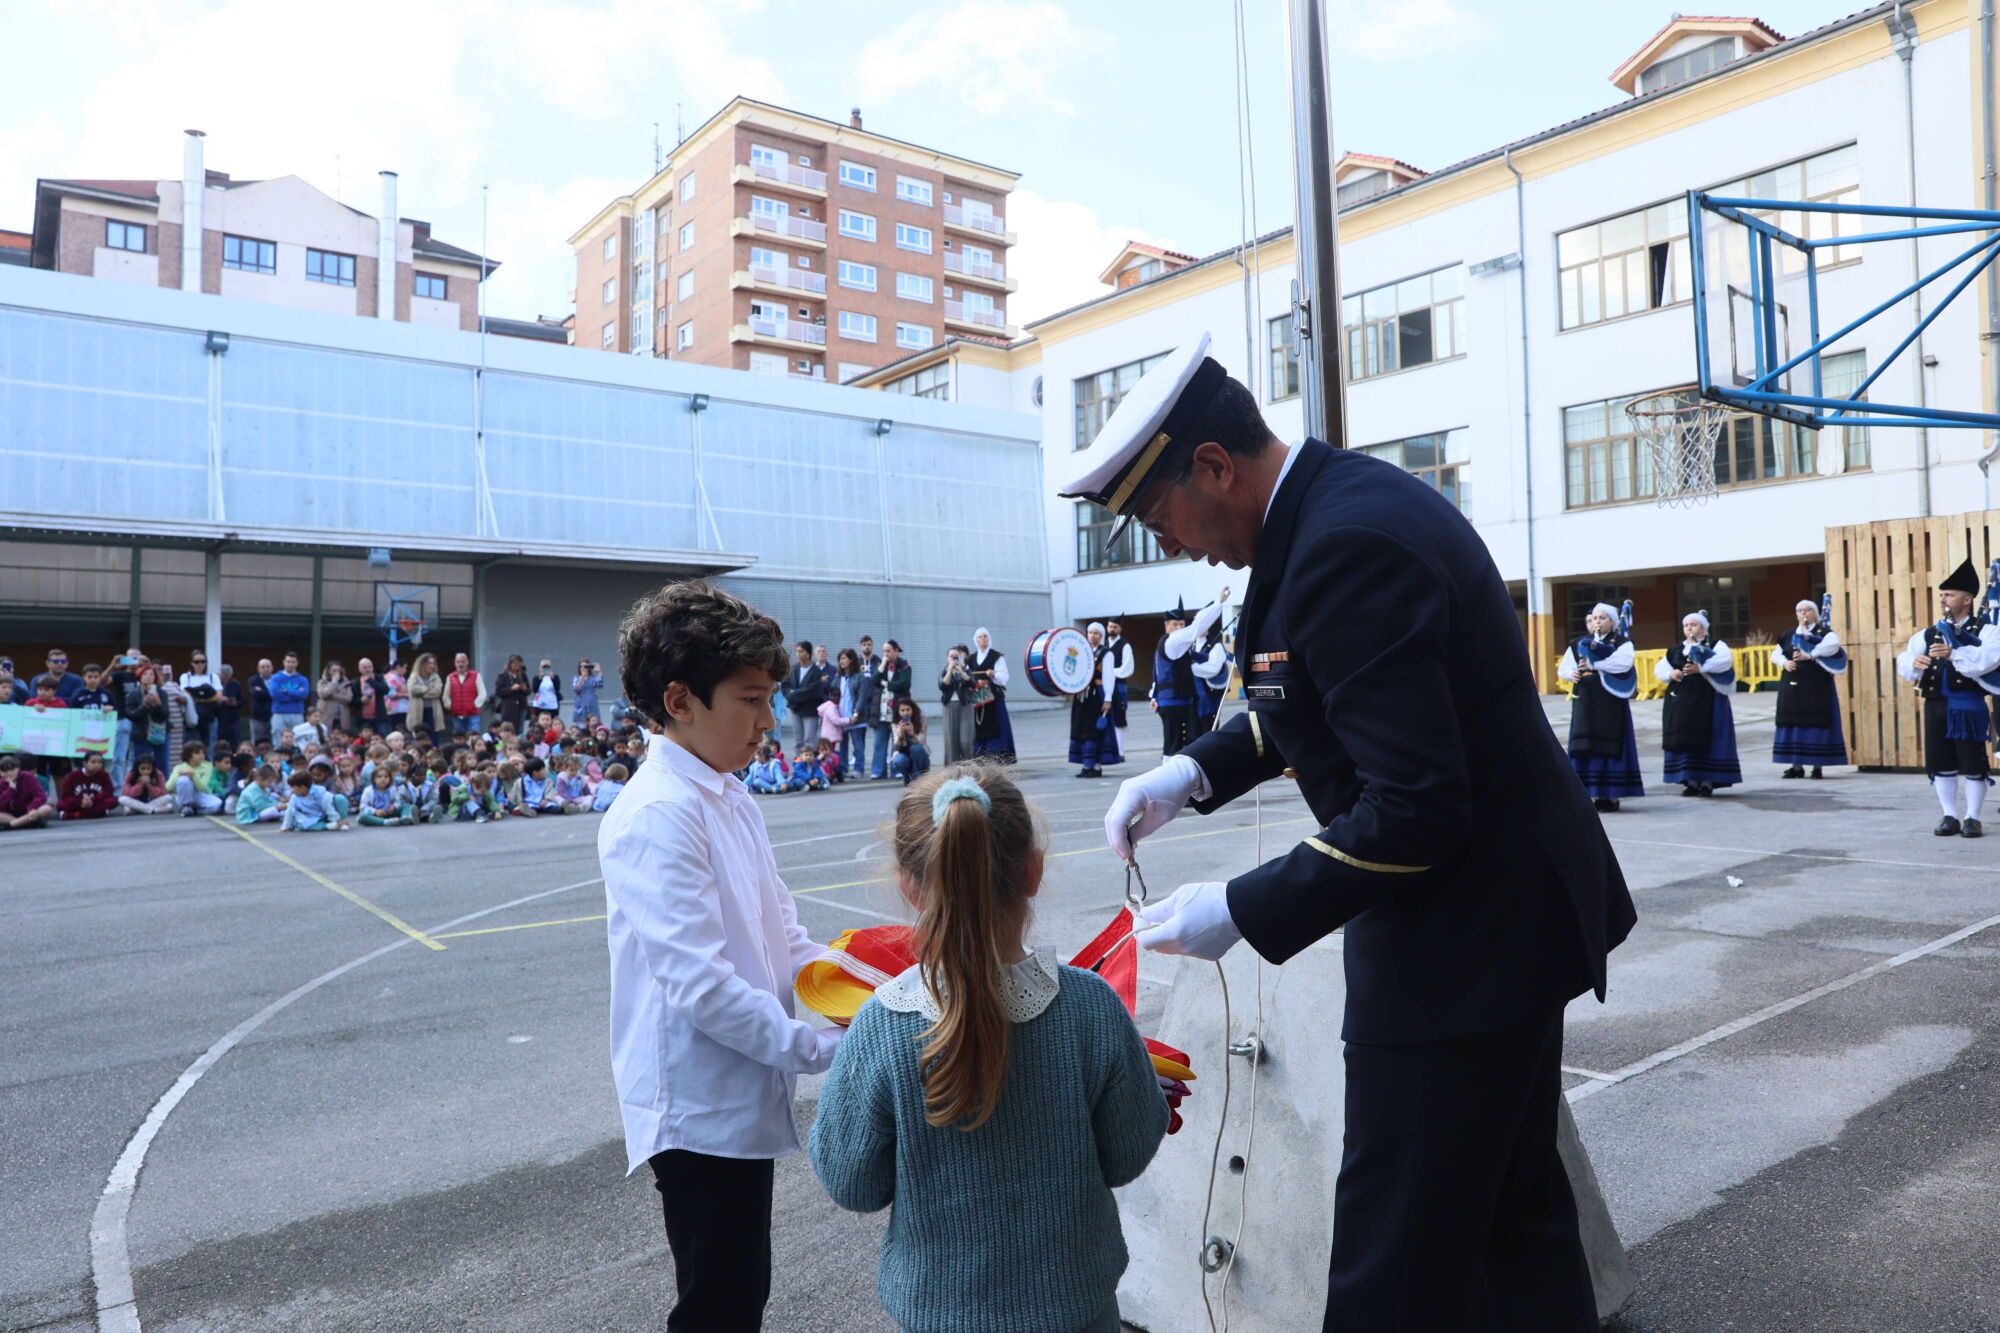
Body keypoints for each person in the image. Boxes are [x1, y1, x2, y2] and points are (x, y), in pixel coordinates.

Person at [1069, 334, 1633, 1331]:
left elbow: (1415, 803)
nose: (1173, 546)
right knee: (1512, 1216)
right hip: (1503, 916)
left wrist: (1239, 907)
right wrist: (1193, 769)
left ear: (1212, 466)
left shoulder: (1341, 545)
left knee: (1395, 1254)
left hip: (1461, 939)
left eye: (1162, 519)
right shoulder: (1329, 510)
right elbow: (1314, 693)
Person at [810, 765, 1168, 1333]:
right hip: (1077, 1307)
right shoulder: (1090, 1008)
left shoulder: (882, 1026)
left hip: (940, 1313)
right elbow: (1126, 1155)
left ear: (908, 885)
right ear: (1033, 870)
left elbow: (852, 1183)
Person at [597, 580, 844, 1332]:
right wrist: (821, 1045)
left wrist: (876, 990)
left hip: (741, 1083)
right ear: (680, 700)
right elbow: (700, 984)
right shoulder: (657, 814)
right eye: (751, 699)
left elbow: (786, 936)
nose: (770, 721)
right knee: (719, 1302)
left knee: (740, 1290)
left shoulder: (728, 795)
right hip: (698, 1107)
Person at [1895, 558, 2000, 837]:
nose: (1943, 598)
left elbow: (1985, 660)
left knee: (1973, 762)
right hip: (1936, 706)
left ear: (1967, 599)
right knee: (1941, 762)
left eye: (1949, 594)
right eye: (1942, 594)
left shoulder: (1986, 630)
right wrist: (1913, 662)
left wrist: (1954, 653)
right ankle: (1949, 815)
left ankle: (1973, 818)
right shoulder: (1930, 633)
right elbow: (1904, 658)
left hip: (1968, 705)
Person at [1558, 604, 1645, 813]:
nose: (1597, 621)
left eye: (1603, 618)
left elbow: (1623, 664)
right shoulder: (1578, 643)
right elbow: (1563, 668)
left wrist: (1593, 666)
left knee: (1609, 745)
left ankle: (1609, 795)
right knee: (1585, 745)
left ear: (1613, 622)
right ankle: (1587, 793)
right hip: (1586, 701)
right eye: (1595, 618)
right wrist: (1573, 674)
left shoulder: (1622, 642)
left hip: (1610, 701)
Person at [1656, 611, 1741, 798]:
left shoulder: (1716, 645)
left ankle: (1707, 782)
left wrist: (1700, 668)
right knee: (1685, 739)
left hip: (1708, 699)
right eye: (1686, 625)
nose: (1689, 628)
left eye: (1694, 625)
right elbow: (1661, 668)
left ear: (1704, 627)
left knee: (1710, 738)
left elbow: (1724, 662)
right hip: (1682, 703)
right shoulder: (1676, 649)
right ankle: (1690, 781)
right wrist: (1672, 674)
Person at [1773, 599, 1849, 778]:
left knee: (1816, 726)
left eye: (1807, 610)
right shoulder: (1788, 634)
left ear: (1815, 613)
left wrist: (1810, 655)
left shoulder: (1825, 633)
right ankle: (1796, 767)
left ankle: (1817, 767)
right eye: (1799, 610)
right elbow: (1775, 653)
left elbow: (1832, 647)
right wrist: (1784, 662)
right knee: (1794, 725)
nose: (1803, 613)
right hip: (1792, 688)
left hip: (1816, 687)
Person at [1153, 592, 1229, 755]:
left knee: (1181, 744)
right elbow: (1195, 628)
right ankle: (1171, 778)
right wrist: (1219, 602)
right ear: (1166, 625)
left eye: (1181, 624)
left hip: (1183, 701)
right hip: (1174, 701)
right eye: (1175, 624)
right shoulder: (1172, 642)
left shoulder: (1181, 647)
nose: (1179, 628)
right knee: (1174, 746)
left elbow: (1209, 661)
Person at [1070, 622, 1124, 779]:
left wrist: (1107, 699)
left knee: (1094, 731)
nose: (1092, 636)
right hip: (1082, 697)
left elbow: (1109, 677)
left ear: (1101, 636)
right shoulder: (1082, 651)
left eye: (1096, 633)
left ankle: (1096, 767)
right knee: (1082, 729)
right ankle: (1087, 765)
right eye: (1090, 633)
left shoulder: (1106, 653)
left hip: (1097, 696)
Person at [967, 628, 1016, 763]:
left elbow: (1004, 677)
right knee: (978, 730)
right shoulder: (970, 659)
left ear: (989, 639)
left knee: (996, 729)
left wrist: (994, 674)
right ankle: (979, 759)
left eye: (985, 636)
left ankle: (996, 758)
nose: (983, 639)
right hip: (978, 701)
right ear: (975, 640)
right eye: (980, 637)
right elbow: (966, 678)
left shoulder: (997, 656)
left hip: (994, 700)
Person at [1102, 617, 1137, 760]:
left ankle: (1120, 752)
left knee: (1119, 718)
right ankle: (1107, 751)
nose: (1112, 629)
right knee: (1105, 717)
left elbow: (1127, 668)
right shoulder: (1103, 645)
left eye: (1115, 627)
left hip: (1118, 685)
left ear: (1120, 629)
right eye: (1110, 626)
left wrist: (1109, 673)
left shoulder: (1125, 645)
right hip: (1103, 686)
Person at [845, 648, 880, 781]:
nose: (842, 662)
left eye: (844, 658)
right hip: (843, 715)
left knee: (858, 744)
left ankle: (858, 769)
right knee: (845, 744)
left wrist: (856, 712)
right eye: (840, 659)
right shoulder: (841, 677)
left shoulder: (859, 676)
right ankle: (842, 768)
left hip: (857, 715)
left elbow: (861, 695)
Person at [938, 646, 977, 765]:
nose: (954, 659)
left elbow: (972, 683)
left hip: (965, 706)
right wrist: (950, 670)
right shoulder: (944, 671)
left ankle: (969, 769)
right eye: (951, 656)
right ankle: (952, 771)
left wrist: (961, 671)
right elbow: (942, 686)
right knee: (951, 741)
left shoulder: (965, 670)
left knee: (966, 740)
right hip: (949, 707)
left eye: (956, 656)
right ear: (947, 658)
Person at [783, 642, 823, 755]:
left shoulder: (816, 670)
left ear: (808, 653)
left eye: (801, 651)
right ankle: (799, 764)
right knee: (798, 740)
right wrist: (790, 695)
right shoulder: (793, 668)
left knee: (809, 740)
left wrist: (794, 694)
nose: (798, 654)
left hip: (810, 709)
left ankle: (809, 765)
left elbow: (812, 690)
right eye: (797, 651)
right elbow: (786, 685)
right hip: (795, 708)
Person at [179, 652, 223, 751]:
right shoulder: (186, 677)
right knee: (190, 745)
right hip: (192, 716)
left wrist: (200, 699)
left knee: (210, 745)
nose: (200, 664)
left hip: (210, 716)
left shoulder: (213, 677)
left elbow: (219, 696)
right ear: (192, 663)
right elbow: (184, 692)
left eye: (203, 662)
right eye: (196, 662)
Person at [0, 753, 55, 830]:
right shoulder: (1, 783)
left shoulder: (27, 777)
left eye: (12, 770)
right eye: (4, 771)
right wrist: (10, 791)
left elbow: (41, 796)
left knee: (47, 808)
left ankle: (12, 825)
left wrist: (31, 808)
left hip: (30, 811)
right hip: (12, 814)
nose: (8, 773)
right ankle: (23, 823)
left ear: (18, 769)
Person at [281, 769, 349, 831]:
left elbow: (328, 807)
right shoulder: (294, 798)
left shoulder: (320, 793)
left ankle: (341, 822)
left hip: (327, 815)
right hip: (311, 819)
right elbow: (289, 812)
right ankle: (327, 826)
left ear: (302, 787)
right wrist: (285, 826)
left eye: (293, 787)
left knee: (340, 799)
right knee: (301, 825)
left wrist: (336, 820)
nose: (291, 790)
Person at [58, 752, 119, 820]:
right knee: (60, 804)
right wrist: (80, 802)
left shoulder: (104, 775)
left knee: (114, 801)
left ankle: (75, 815)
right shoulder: (73, 776)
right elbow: (67, 795)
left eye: (100, 762)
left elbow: (108, 792)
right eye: (93, 762)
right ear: (85, 763)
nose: (97, 765)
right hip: (80, 804)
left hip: (96, 803)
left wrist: (93, 801)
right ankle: (99, 813)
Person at [170, 741, 224, 816]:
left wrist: (193, 775)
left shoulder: (207, 766)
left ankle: (195, 811)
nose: (201, 756)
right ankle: (186, 805)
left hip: (200, 794)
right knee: (183, 780)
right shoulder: (179, 767)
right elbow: (169, 787)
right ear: (189, 756)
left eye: (203, 753)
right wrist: (179, 774)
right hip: (184, 796)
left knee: (217, 805)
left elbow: (203, 787)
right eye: (197, 753)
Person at [269, 652, 312, 744]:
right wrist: (296, 695)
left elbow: (304, 695)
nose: (291, 664)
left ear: (297, 663)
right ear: (284, 662)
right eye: (288, 662)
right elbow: (275, 695)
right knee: (278, 739)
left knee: (297, 739)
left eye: (293, 662)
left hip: (297, 713)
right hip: (279, 713)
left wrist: (286, 691)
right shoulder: (275, 678)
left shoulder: (303, 679)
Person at [406, 653, 448, 742]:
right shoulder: (414, 676)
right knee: (418, 733)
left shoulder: (436, 677)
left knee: (433, 734)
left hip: (432, 710)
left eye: (433, 663)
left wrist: (422, 692)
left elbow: (437, 692)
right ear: (422, 664)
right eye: (429, 663)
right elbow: (413, 690)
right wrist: (428, 689)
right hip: (417, 711)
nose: (432, 666)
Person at [888, 699, 931, 785]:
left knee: (916, 748)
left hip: (921, 756)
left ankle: (916, 778)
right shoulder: (896, 723)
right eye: (902, 710)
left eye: (908, 710)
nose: (905, 713)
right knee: (898, 761)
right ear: (898, 712)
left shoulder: (921, 720)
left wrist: (913, 734)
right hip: (904, 753)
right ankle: (907, 778)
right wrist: (900, 734)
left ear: (913, 710)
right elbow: (896, 747)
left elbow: (922, 742)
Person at [447, 652, 488, 737]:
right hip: (456, 714)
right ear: (455, 663)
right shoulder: (450, 677)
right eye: (458, 662)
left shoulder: (476, 675)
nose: (460, 664)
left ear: (467, 662)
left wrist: (475, 705)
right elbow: (446, 695)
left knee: (474, 737)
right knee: (459, 738)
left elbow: (482, 693)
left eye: (463, 661)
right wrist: (450, 706)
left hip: (473, 714)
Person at [315, 659, 356, 736]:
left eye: (338, 671)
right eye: (334, 671)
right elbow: (323, 694)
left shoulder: (346, 683)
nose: (336, 673)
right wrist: (334, 682)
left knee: (343, 735)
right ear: (329, 671)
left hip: (342, 716)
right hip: (327, 715)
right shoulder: (322, 682)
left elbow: (348, 698)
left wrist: (332, 695)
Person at [356, 658, 392, 738]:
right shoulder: (355, 682)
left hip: (379, 717)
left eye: (370, 667)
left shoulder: (379, 678)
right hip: (362, 717)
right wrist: (361, 700)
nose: (368, 669)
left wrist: (370, 680)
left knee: (382, 737)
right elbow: (352, 700)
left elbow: (385, 690)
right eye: (365, 667)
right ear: (359, 669)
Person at [248, 658, 276, 747]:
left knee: (273, 742)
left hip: (273, 715)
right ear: (258, 669)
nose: (265, 669)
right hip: (258, 716)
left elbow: (279, 695)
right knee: (257, 742)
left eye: (268, 666)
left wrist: (263, 692)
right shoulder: (252, 680)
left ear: (272, 668)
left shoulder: (277, 680)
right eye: (263, 667)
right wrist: (271, 693)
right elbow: (256, 694)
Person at [215, 664, 243, 751]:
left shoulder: (236, 684)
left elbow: (242, 700)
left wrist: (235, 703)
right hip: (219, 718)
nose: (226, 678)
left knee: (234, 743)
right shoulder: (216, 684)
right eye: (224, 675)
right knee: (219, 743)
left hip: (233, 718)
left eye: (228, 676)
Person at [574, 658, 605, 726]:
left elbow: (600, 685)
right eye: (581, 666)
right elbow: (577, 690)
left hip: (592, 705)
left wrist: (599, 672)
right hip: (581, 706)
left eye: (585, 666)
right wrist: (582, 678)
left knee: (595, 724)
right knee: (581, 726)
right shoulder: (576, 678)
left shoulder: (593, 678)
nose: (583, 668)